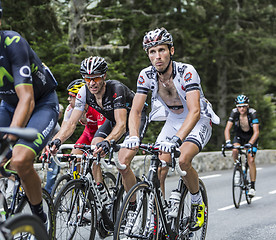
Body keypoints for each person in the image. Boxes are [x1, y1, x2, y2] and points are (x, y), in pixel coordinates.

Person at [122, 27, 220, 231]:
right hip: (173, 120)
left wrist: (177, 139)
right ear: (148, 54)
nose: (157, 56)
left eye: (161, 50)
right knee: (159, 166)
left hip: (198, 119)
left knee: (183, 161)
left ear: (171, 51)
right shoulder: (146, 75)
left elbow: (194, 111)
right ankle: (160, 213)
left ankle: (196, 202)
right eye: (152, 52)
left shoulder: (186, 72)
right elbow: (136, 111)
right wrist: (133, 135)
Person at [47, 56, 148, 235]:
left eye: (96, 78)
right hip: (112, 120)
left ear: (104, 76)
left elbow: (122, 125)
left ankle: (132, 207)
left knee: (123, 162)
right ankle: (100, 191)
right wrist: (57, 140)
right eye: (87, 78)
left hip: (134, 118)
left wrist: (108, 141)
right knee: (94, 146)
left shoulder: (115, 89)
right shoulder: (84, 92)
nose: (91, 82)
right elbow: (70, 124)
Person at [0, 1, 59, 225]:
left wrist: (10, 139)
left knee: (21, 157)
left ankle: (38, 217)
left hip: (41, 103)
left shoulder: (12, 42)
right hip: (7, 105)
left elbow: (27, 99)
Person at [224, 94, 259, 197]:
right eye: (239, 106)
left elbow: (256, 132)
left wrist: (251, 143)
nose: (241, 108)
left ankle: (252, 187)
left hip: (251, 137)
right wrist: (227, 142)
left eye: (244, 106)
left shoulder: (252, 113)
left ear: (247, 106)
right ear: (236, 107)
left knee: (251, 159)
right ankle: (238, 170)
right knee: (234, 150)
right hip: (239, 136)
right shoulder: (234, 113)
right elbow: (227, 129)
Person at [43, 104, 64, 194]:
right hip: (52, 152)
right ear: (59, 113)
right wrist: (45, 151)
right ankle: (48, 194)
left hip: (56, 151)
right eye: (61, 113)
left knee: (55, 173)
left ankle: (50, 193)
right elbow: (46, 138)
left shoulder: (55, 122)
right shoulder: (53, 122)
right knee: (52, 174)